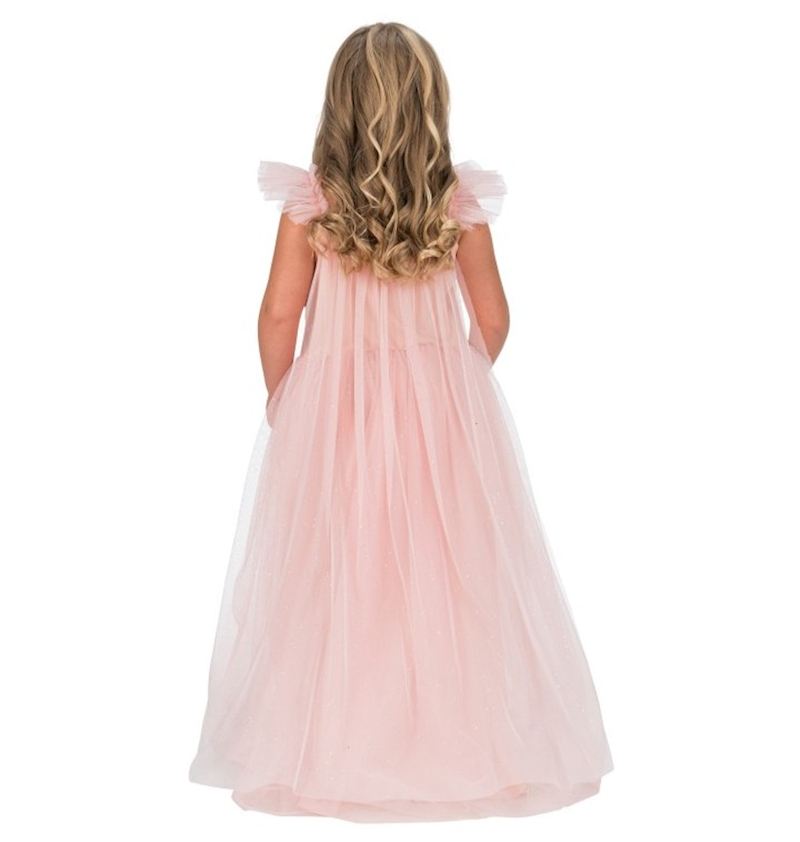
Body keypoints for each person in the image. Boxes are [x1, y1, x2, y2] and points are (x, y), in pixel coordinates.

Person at [188, 20, 614, 824]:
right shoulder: (456, 205)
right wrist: (450, 387)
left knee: (339, 571)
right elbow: (493, 318)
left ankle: (340, 745)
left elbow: (278, 315)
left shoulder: (312, 206)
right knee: (449, 572)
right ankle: (461, 744)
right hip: (440, 414)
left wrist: (288, 400)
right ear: (431, 105)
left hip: (336, 414)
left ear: (339, 107)